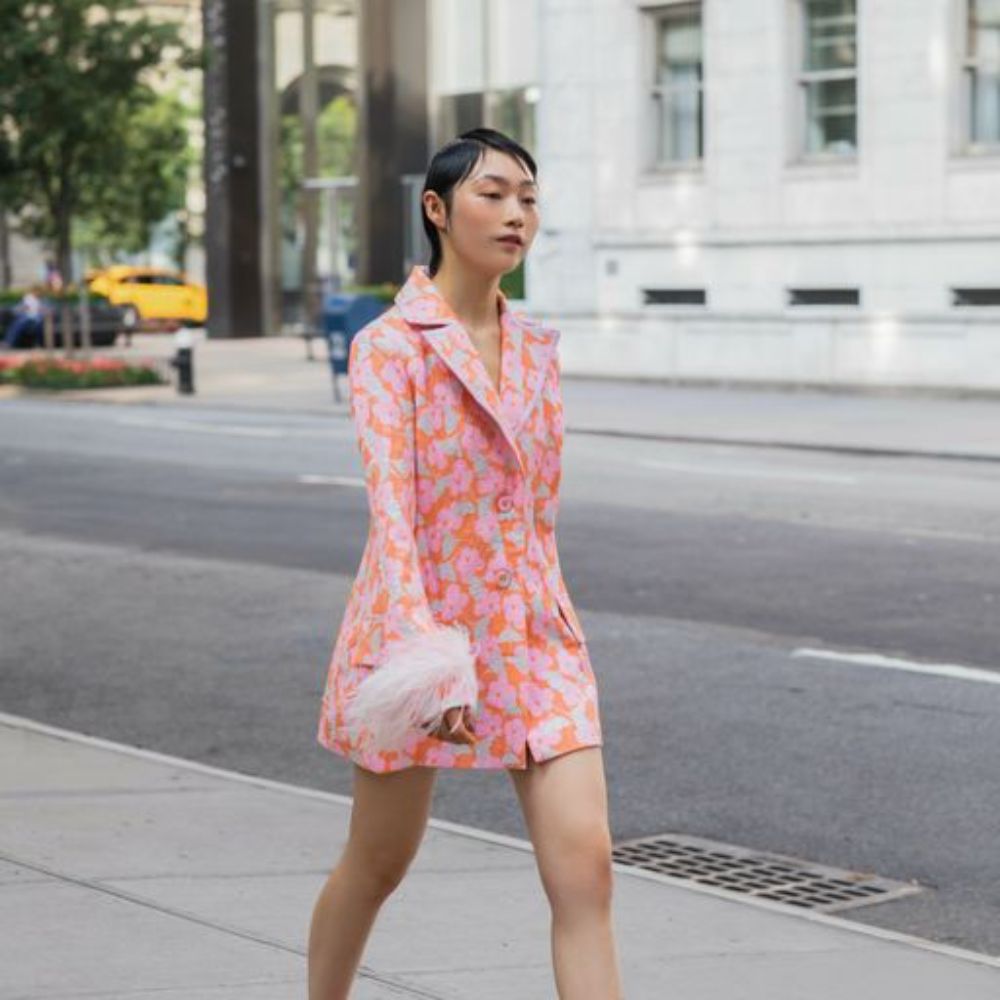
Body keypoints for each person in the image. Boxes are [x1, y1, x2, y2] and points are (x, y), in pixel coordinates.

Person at [310, 128, 624, 999]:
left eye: (528, 195)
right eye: (494, 193)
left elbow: (537, 513)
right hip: (421, 635)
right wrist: (429, 657)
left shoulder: (537, 349)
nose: (517, 212)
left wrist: (547, 620)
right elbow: (394, 518)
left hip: (535, 636)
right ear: (438, 210)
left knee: (587, 871)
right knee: (379, 862)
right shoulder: (388, 347)